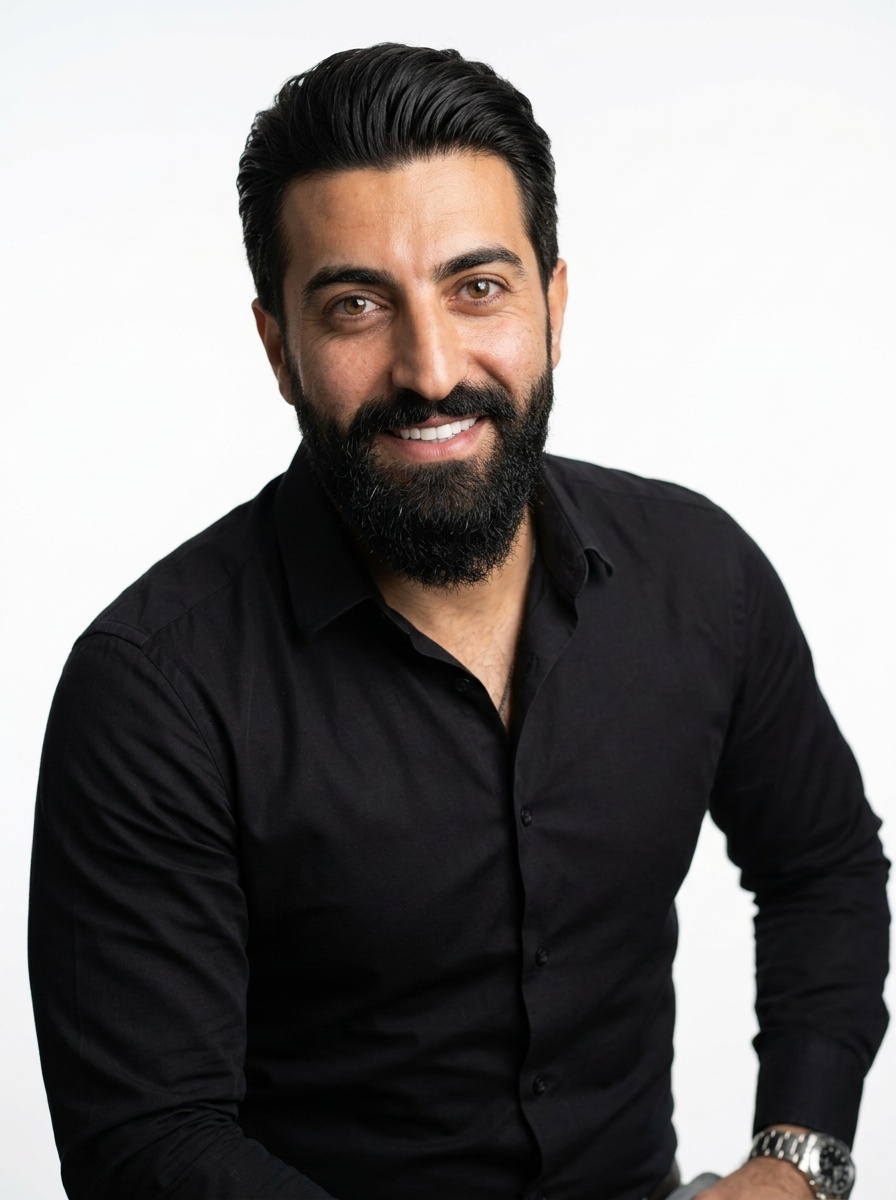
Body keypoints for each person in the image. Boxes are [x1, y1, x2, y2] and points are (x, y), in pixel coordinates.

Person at [29, 43, 888, 1200]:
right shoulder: (152, 689)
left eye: (476, 287)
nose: (430, 370)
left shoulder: (701, 577)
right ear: (278, 348)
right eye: (355, 306)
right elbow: (148, 1139)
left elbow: (821, 867)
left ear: (553, 305)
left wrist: (792, 1165)